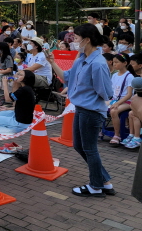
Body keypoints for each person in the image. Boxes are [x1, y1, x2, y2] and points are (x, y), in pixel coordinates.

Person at [47, 23, 115, 197]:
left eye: (76, 38)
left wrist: (89, 96)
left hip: (91, 111)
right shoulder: (82, 59)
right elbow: (66, 77)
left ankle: (96, 185)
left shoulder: (97, 63)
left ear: (86, 39)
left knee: (89, 148)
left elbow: (106, 92)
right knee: (80, 146)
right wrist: (52, 63)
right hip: (82, 108)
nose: (73, 41)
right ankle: (104, 181)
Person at [107, 54, 133, 145]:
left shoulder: (129, 76)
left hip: (127, 102)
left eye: (117, 62)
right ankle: (99, 130)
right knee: (97, 105)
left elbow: (129, 95)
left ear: (125, 63)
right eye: (113, 62)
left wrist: (117, 103)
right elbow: (111, 90)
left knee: (114, 111)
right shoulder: (114, 75)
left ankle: (117, 135)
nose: (114, 64)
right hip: (115, 100)